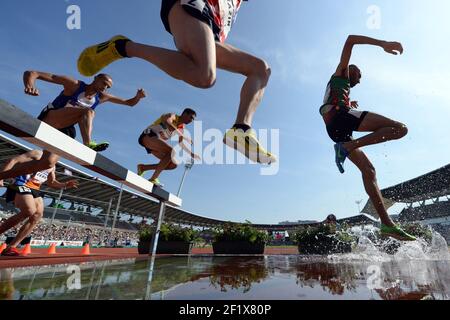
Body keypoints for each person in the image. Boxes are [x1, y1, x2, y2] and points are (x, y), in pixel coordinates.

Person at [77, 0, 277, 165]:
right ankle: (122, 47)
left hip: (212, 29)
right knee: (204, 76)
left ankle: (241, 130)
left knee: (260, 69)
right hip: (194, 5)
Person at [319, 35, 415, 241]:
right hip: (339, 119)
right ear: (350, 69)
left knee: (369, 170)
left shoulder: (339, 89)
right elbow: (350, 40)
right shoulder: (341, 71)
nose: (360, 79)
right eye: (359, 74)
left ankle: (387, 224)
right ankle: (347, 146)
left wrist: (347, 102)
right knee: (400, 128)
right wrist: (383, 44)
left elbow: (332, 99)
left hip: (337, 129)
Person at [0, 71, 146, 183]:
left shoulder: (101, 97)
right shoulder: (74, 85)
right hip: (51, 118)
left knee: (46, 163)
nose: (105, 88)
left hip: (66, 128)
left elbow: (129, 103)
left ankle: (1, 176)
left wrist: (138, 97)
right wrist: (29, 85)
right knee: (89, 112)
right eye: (104, 83)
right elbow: (32, 73)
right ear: (95, 78)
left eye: (108, 87)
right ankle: (89, 144)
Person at [0, 150, 79, 256]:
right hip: (21, 184)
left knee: (37, 216)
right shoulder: (37, 154)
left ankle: (11, 247)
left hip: (35, 188)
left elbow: (51, 182)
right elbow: (13, 160)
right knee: (29, 210)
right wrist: (2, 176)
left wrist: (65, 184)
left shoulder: (53, 165)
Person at [137, 108, 201, 187]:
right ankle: (153, 179)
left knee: (173, 165)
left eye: (193, 119)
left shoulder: (181, 128)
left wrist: (191, 154)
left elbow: (181, 143)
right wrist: (182, 135)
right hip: (148, 135)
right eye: (191, 117)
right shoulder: (172, 115)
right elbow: (167, 122)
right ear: (184, 114)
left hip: (154, 144)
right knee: (171, 152)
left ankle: (143, 168)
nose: (191, 121)